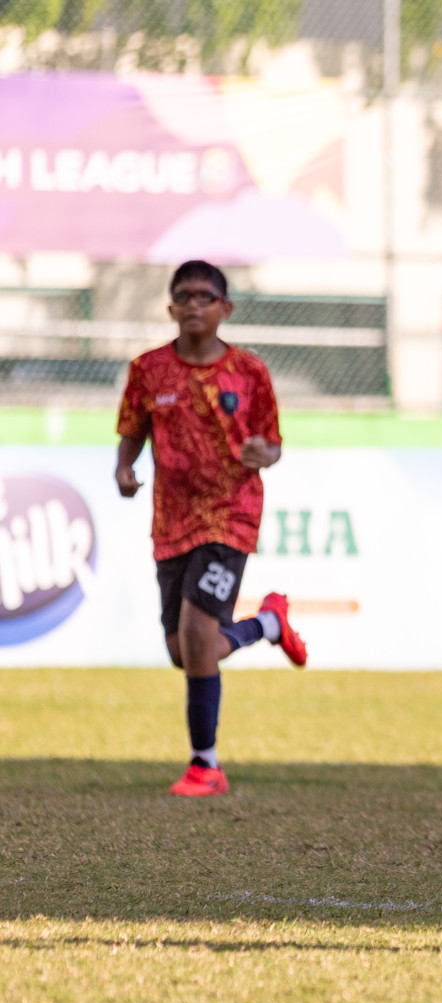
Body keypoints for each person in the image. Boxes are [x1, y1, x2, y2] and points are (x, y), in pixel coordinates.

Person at [116, 260, 308, 798]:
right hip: (170, 521)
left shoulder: (249, 373)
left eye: (206, 296)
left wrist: (261, 453)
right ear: (171, 307)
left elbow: (272, 443)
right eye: (185, 295)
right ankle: (268, 624)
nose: (194, 304)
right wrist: (124, 467)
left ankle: (206, 765)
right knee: (183, 650)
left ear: (226, 308)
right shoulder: (148, 370)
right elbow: (133, 430)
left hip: (231, 515)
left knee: (199, 638)